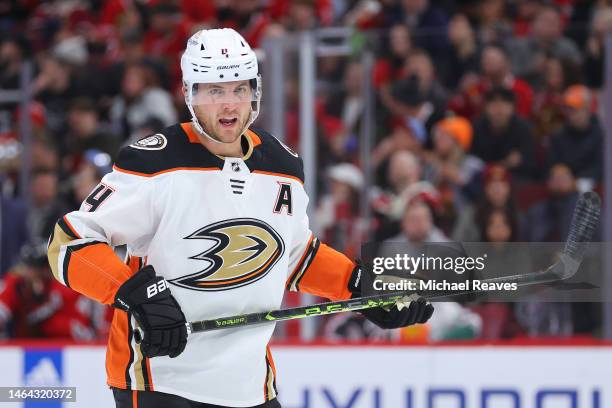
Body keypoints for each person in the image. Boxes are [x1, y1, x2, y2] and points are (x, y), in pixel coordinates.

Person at [47, 28, 434, 408]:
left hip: (251, 387)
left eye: (239, 88)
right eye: (214, 91)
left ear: (255, 92)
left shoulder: (283, 165)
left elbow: (295, 256)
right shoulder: (153, 164)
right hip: (160, 382)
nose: (229, 104)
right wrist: (130, 293)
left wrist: (359, 287)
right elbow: (68, 242)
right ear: (190, 95)